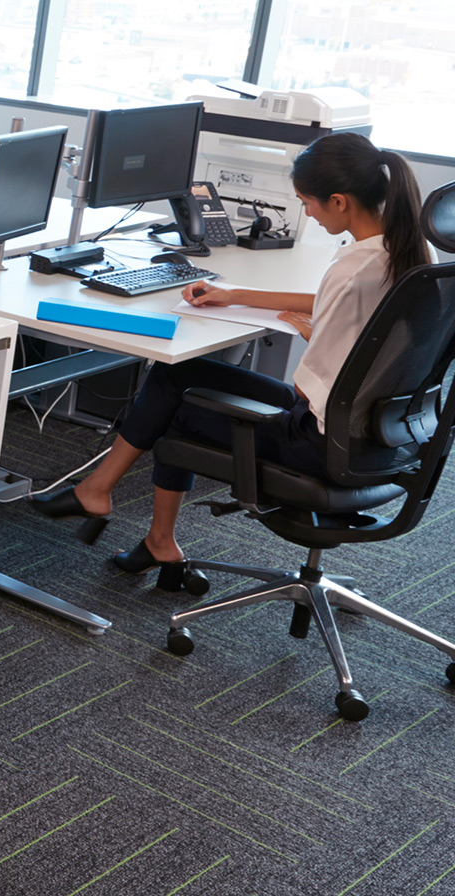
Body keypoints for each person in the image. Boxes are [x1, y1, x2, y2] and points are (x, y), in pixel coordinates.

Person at [30, 132, 430, 589]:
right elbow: (334, 305)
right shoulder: (407, 249)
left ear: (338, 201)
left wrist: (315, 334)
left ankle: (114, 506)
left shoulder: (351, 270)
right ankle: (119, 510)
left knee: (180, 404)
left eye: (308, 203)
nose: (309, 214)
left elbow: (306, 387)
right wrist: (235, 294)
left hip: (320, 443)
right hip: (382, 435)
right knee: (181, 374)